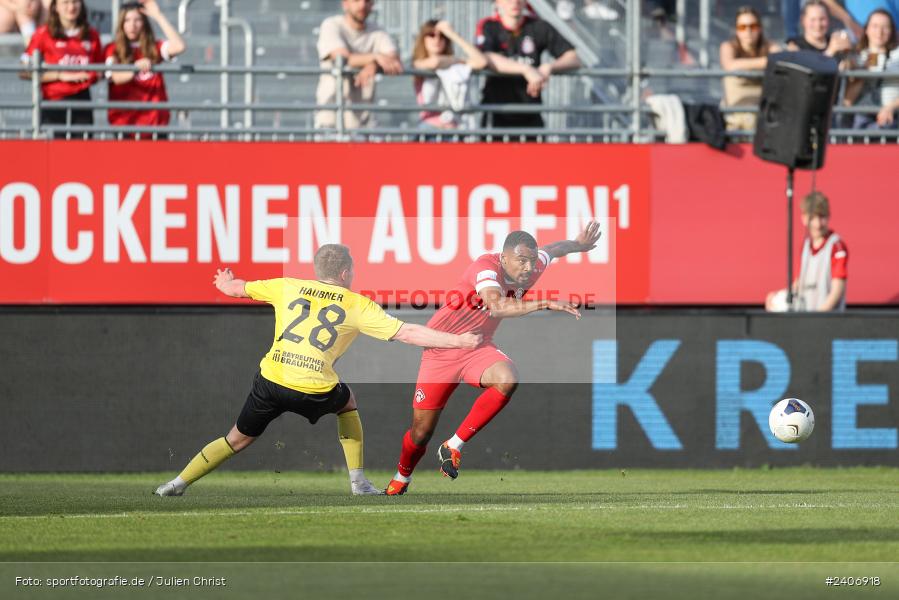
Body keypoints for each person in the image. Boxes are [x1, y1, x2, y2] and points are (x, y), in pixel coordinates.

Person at [154, 245, 482, 498]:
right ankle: (358, 483)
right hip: (312, 387)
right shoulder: (356, 303)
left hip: (270, 380)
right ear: (344, 272)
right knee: (347, 401)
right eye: (351, 270)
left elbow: (237, 289)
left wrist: (224, 281)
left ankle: (177, 483)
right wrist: (460, 341)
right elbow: (408, 333)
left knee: (236, 439)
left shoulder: (287, 286)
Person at [385, 223, 602, 496]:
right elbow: (497, 305)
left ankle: (453, 446)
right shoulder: (485, 268)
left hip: (477, 346)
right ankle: (401, 478)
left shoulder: (534, 266)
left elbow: (553, 249)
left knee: (507, 379)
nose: (527, 267)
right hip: (442, 347)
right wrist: (545, 303)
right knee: (420, 433)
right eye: (521, 260)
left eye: (531, 261)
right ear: (504, 258)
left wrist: (577, 244)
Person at [477, 0, 581, 132]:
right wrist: (526, 69)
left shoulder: (539, 26)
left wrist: (549, 67)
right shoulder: (489, 26)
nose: (514, 2)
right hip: (497, 114)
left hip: (531, 114)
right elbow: (485, 58)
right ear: (497, 2)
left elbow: (573, 58)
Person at [314, 0, 402, 131]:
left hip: (364, 120)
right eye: (356, 0)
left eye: (367, 1)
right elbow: (342, 58)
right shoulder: (331, 25)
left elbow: (394, 60)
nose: (362, 5)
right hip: (330, 118)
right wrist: (376, 57)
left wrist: (374, 65)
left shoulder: (377, 30)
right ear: (345, 4)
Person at [20, 0, 103, 137]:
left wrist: (94, 75)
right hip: (53, 102)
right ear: (56, 7)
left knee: (82, 153)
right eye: (65, 2)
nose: (71, 7)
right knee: (54, 154)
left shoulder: (92, 35)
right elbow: (24, 71)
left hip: (82, 101)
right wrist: (60, 75)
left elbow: (100, 70)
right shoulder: (43, 34)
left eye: (75, 2)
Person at [104, 1, 185, 135]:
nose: (132, 25)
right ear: (121, 23)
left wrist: (158, 15)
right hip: (125, 126)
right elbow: (115, 77)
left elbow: (179, 46)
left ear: (144, 23)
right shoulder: (112, 49)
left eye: (137, 20)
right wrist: (135, 69)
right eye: (127, 20)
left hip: (155, 126)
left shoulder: (154, 47)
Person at [765, 192, 848, 312]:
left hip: (829, 322)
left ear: (828, 216)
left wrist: (818, 317)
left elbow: (837, 291)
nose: (818, 224)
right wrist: (777, 296)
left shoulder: (836, 246)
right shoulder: (806, 247)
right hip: (806, 319)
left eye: (822, 217)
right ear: (804, 219)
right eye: (813, 217)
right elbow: (799, 283)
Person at [411, 19, 486, 130]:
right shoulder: (418, 62)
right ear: (423, 39)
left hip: (455, 128)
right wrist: (457, 60)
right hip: (429, 128)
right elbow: (434, 62)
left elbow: (481, 61)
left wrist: (452, 34)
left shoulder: (455, 64)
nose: (437, 40)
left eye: (442, 36)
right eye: (431, 35)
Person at [720, 6, 782, 132]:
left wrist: (746, 65)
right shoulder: (728, 46)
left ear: (760, 28)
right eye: (742, 27)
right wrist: (765, 62)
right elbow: (729, 65)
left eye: (753, 26)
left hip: (764, 110)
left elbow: (780, 59)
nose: (748, 31)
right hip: (736, 112)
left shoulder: (770, 46)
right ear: (736, 30)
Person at [841, 9, 899, 128]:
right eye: (875, 26)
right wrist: (860, 73)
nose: (880, 32)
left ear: (892, 31)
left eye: (885, 27)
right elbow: (847, 102)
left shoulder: (897, 55)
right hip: (862, 117)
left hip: (893, 118)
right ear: (866, 29)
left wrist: (891, 107)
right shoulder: (857, 58)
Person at [786, 1, 855, 57]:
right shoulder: (795, 46)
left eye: (822, 19)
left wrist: (848, 55)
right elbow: (806, 69)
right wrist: (830, 51)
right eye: (813, 20)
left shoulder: (834, 41)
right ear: (803, 20)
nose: (818, 25)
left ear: (828, 20)